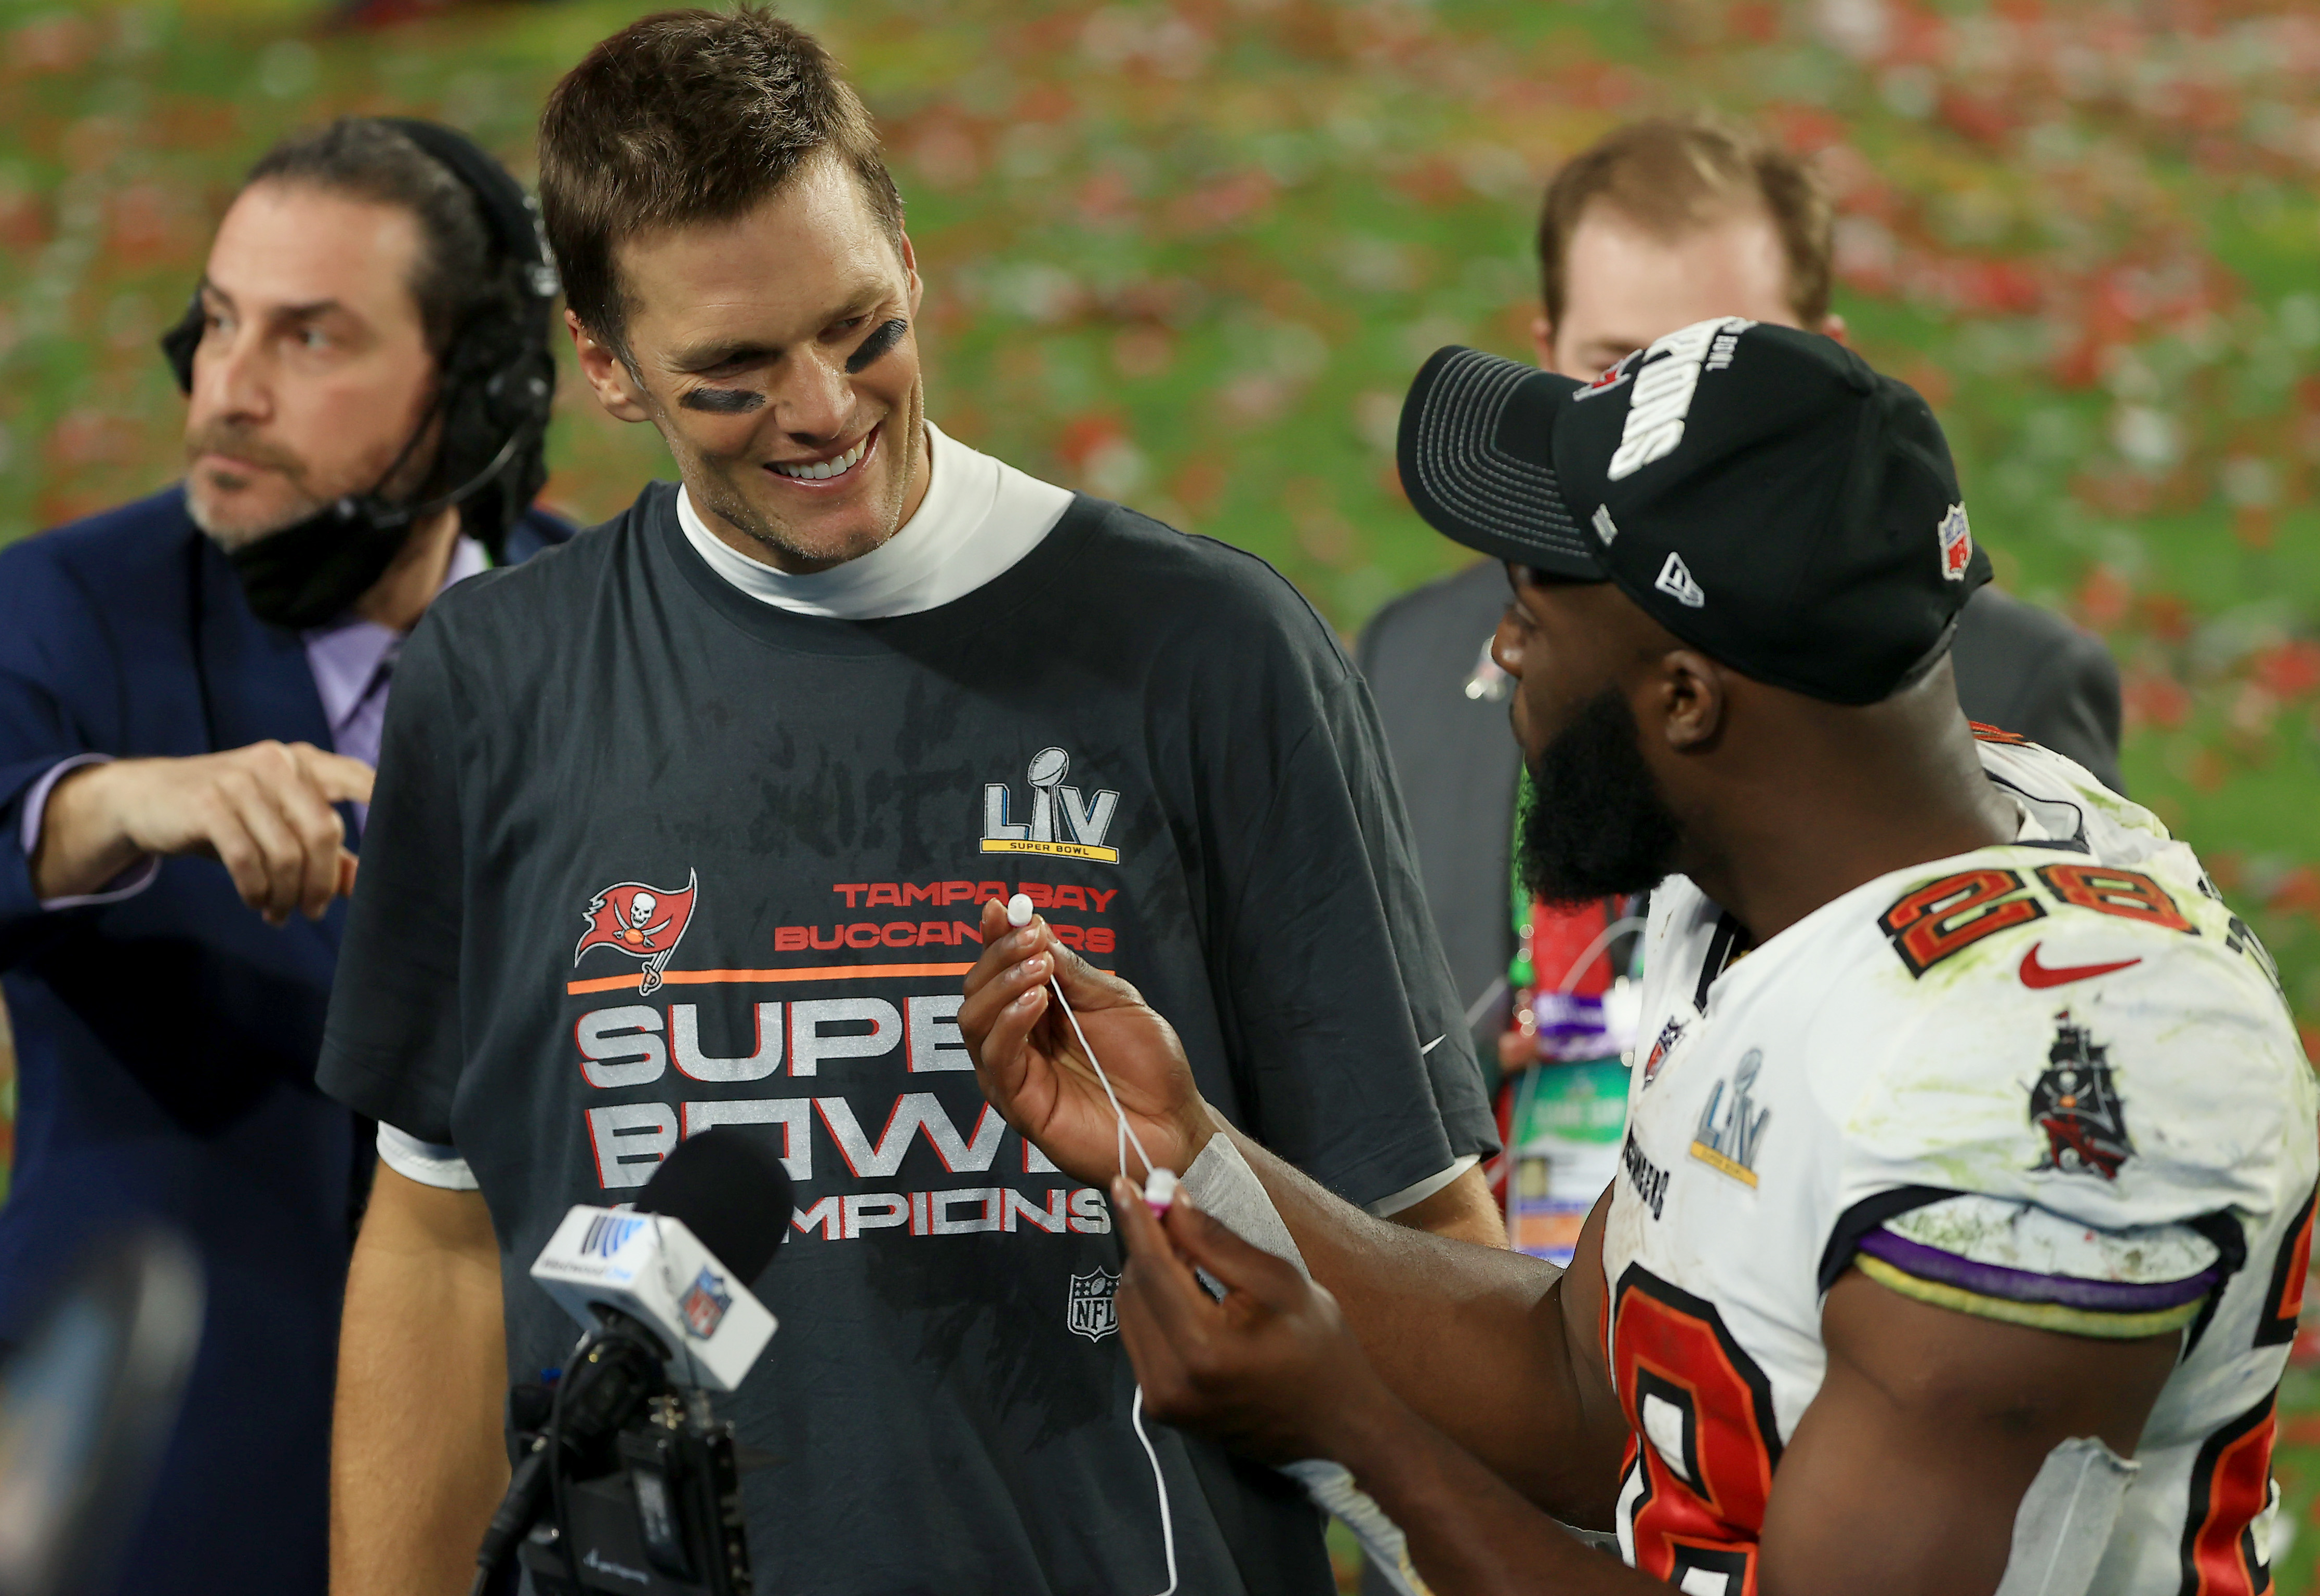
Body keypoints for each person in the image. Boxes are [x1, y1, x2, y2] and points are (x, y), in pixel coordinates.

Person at [317, 12, 1499, 1595]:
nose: (821, 411)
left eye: (859, 328)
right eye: (732, 373)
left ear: (910, 259)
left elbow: (1421, 1228)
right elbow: (440, 1242)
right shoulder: (492, 686)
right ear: (602, 363)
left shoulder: (1207, 654)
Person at [961, 321, 2311, 1594]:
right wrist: (1192, 1148)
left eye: (1534, 615)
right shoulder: (1789, 869)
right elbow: (1582, 1381)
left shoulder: (2047, 1095)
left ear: (1686, 698)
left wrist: (1349, 1434)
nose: (1497, 654)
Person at [0, 118, 565, 1594]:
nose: (227, 388)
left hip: (517, 1506)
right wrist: (104, 805)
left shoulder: (604, 625)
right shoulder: (74, 604)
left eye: (311, 338)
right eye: (216, 323)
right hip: (137, 1494)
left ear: (476, 388)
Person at [1357, 119, 2126, 1250]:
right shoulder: (1411, 653)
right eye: (1614, 367)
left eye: (1720, 358)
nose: (1664, 420)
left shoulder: (1996, 688)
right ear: (1546, 345)